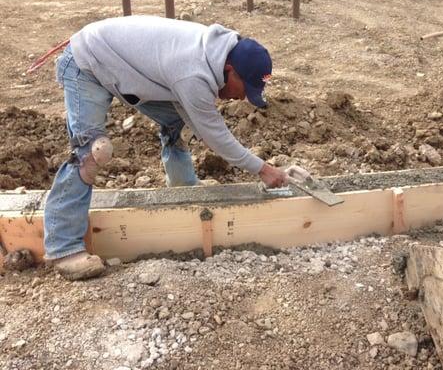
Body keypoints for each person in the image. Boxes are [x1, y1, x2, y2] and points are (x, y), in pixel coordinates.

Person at [44, 15, 287, 280]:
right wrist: (262, 169)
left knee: (175, 120)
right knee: (91, 152)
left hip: (123, 66)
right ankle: (63, 247)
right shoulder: (194, 73)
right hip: (88, 63)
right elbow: (215, 135)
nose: (242, 98)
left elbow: (199, 120)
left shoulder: (214, 53)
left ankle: (183, 187)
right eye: (244, 89)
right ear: (229, 70)